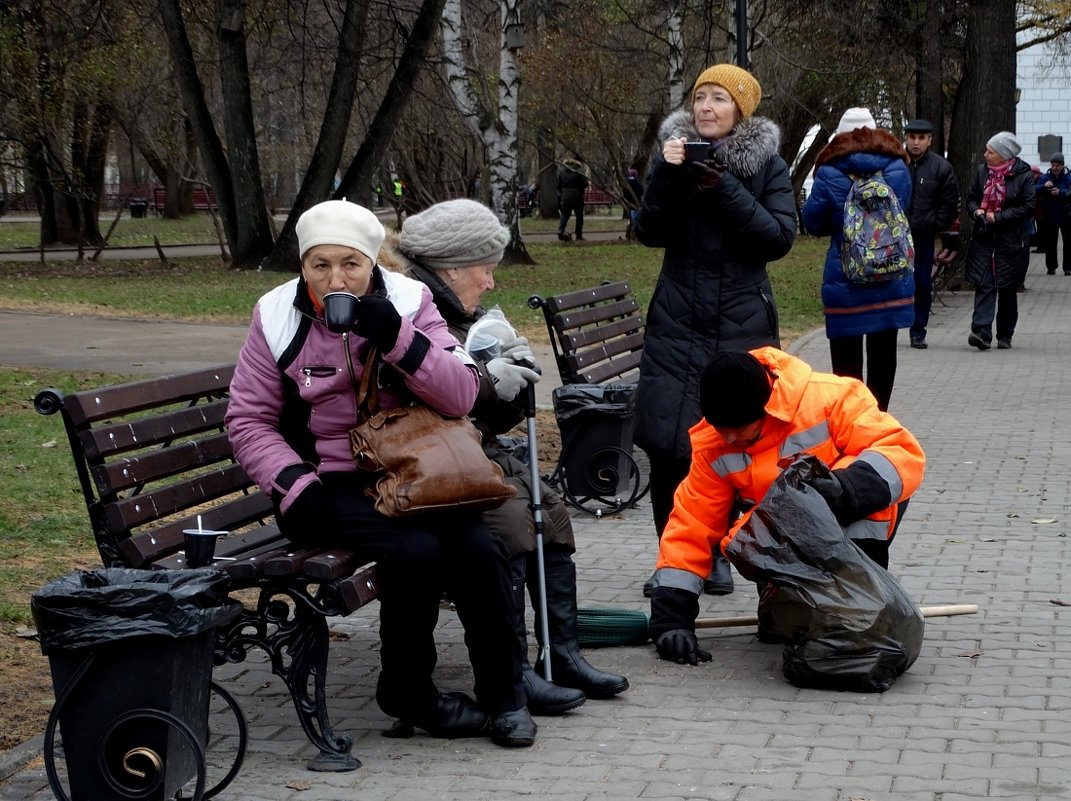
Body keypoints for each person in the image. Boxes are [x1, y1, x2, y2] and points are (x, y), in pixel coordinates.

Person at [224, 199, 537, 747]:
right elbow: (249, 419)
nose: (335, 278)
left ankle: (505, 694)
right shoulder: (276, 315)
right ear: (303, 266)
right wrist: (293, 483)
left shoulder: (410, 301)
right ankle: (408, 692)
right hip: (331, 479)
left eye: (351, 264)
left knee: (477, 549)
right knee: (413, 552)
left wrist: (397, 338)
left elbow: (462, 394)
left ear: (373, 264)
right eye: (320, 265)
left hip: (414, 468)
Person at [378, 198, 629, 716]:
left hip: (464, 456)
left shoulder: (457, 312)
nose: (491, 283)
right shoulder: (417, 311)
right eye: (486, 270)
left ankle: (561, 654)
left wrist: (509, 385)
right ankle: (511, 671)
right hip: (423, 471)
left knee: (550, 509)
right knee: (513, 520)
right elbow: (427, 411)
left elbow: (481, 419)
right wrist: (489, 384)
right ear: (452, 266)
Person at [647, 347, 926, 665]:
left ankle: (862, 603)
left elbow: (899, 450)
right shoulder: (714, 444)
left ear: (764, 409)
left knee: (860, 524)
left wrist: (845, 489)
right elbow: (691, 525)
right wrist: (671, 621)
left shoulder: (830, 397)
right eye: (720, 428)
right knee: (778, 622)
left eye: (738, 428)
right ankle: (813, 606)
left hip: (849, 522)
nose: (729, 437)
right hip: (784, 537)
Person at [633, 63, 797, 599]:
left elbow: (776, 238)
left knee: (733, 442)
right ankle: (674, 559)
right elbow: (647, 232)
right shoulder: (673, 158)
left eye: (719, 99)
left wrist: (723, 188)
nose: (706, 107)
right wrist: (666, 176)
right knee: (667, 445)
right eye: (700, 97)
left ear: (740, 111)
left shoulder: (767, 166)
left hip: (739, 324)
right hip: (677, 323)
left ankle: (724, 550)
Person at [801, 108, 913, 412]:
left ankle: (852, 424)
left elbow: (813, 222)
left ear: (840, 135)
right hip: (891, 275)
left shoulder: (828, 170)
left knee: (846, 362)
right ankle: (878, 421)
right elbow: (905, 209)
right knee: (884, 355)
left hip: (845, 277)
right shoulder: (897, 167)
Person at [965, 132, 1036, 350]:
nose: (985, 154)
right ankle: (981, 332)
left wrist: (999, 217)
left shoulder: (1023, 176)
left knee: (1006, 288)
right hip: (984, 238)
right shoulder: (981, 172)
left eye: (991, 151)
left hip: (1012, 242)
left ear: (1004, 155)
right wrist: (977, 211)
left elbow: (1028, 206)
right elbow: (971, 199)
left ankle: (1005, 334)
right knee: (984, 284)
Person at [903, 119, 960, 349]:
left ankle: (918, 330)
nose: (915, 143)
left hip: (923, 235)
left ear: (929, 140)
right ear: (906, 138)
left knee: (922, 282)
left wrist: (933, 224)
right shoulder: (896, 163)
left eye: (921, 138)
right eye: (912, 137)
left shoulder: (940, 167)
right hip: (894, 234)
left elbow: (949, 202)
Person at [1034, 152, 1071, 275]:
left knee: (1068, 242)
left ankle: (1068, 268)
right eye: (1053, 165)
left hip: (1066, 215)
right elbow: (1034, 190)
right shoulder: (1045, 177)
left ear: (1062, 165)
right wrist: (1044, 186)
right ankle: (1051, 267)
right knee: (1050, 243)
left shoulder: (1068, 176)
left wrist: (1060, 192)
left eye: (1057, 165)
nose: (1055, 168)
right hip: (1050, 215)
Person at [556, 158, 590, 241]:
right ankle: (578, 235)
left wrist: (561, 194)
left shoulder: (561, 172)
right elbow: (585, 183)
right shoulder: (579, 172)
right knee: (579, 217)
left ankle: (561, 229)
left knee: (565, 215)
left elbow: (559, 185)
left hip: (566, 196)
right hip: (577, 196)